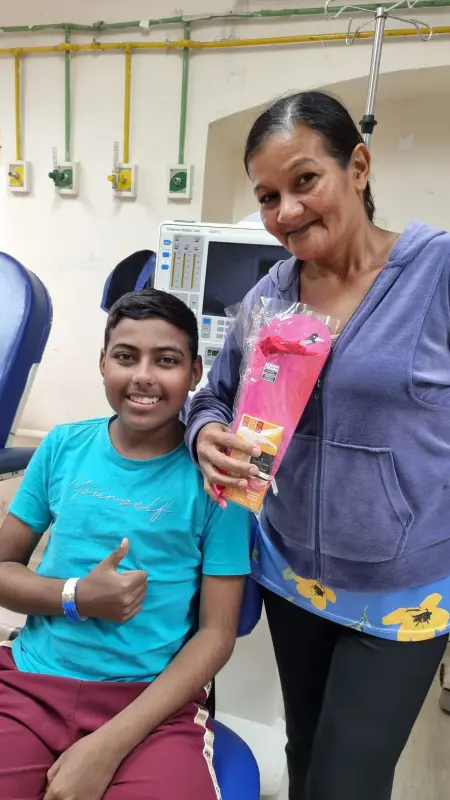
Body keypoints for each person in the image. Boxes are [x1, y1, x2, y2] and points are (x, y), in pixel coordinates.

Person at [186, 90, 450, 800]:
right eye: (268, 197)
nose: (288, 211)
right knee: (304, 746)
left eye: (306, 180)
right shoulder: (273, 294)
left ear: (358, 166)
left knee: (348, 779)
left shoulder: (436, 274)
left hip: (404, 589)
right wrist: (206, 433)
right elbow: (214, 395)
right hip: (291, 573)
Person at [0, 289, 251, 800]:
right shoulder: (63, 446)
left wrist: (109, 745)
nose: (144, 375)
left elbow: (217, 634)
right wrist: (75, 596)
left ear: (195, 372)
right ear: (102, 363)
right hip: (31, 684)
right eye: (125, 356)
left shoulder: (218, 482)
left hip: (151, 706)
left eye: (167, 360)